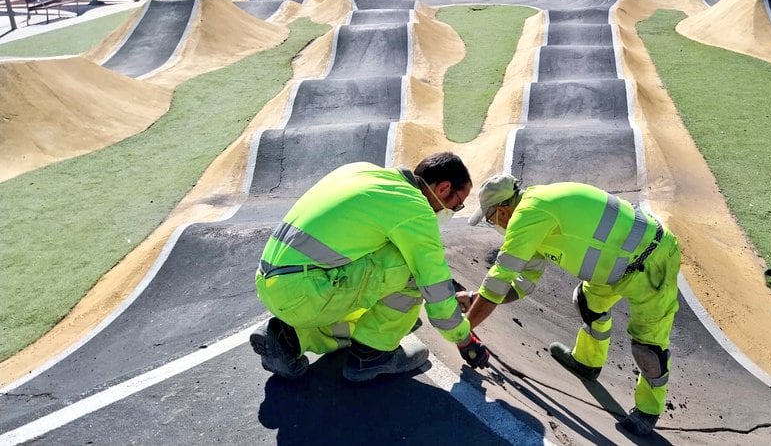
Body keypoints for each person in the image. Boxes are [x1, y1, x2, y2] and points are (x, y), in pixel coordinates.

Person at [465, 174, 680, 436]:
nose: (494, 225)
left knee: (648, 347)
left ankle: (648, 410)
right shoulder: (534, 217)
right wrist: (476, 298)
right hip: (613, 269)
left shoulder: (530, 213)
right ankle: (587, 362)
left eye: (490, 220)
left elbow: (499, 279)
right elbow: (521, 284)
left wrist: (463, 332)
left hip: (651, 260)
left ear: (502, 211)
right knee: (588, 304)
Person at [250, 152, 490, 383]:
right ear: (443, 188)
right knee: (412, 272)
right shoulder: (415, 208)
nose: (451, 212)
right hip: (307, 293)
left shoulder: (363, 172)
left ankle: (289, 339)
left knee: (373, 304)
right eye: (456, 205)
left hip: (273, 284)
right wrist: (463, 338)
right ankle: (372, 354)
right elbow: (431, 281)